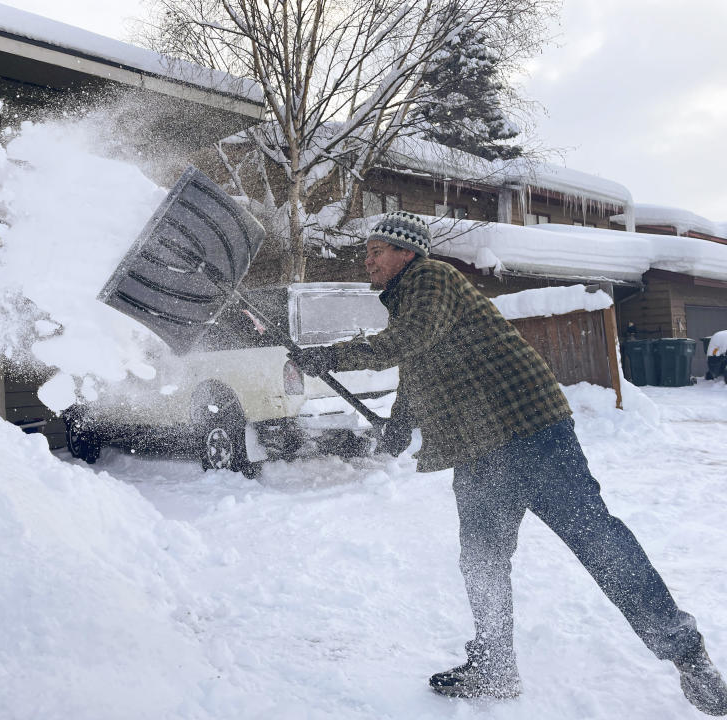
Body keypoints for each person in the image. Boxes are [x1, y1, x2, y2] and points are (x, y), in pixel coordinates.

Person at [288, 211, 727, 715]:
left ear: (406, 252)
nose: (366, 260)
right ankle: (495, 666)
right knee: (483, 559)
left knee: (596, 541)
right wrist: (401, 422)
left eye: (375, 251)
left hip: (529, 432)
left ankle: (686, 653)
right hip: (480, 450)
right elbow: (419, 362)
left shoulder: (433, 277)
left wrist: (332, 357)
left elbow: (411, 341)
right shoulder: (410, 301)